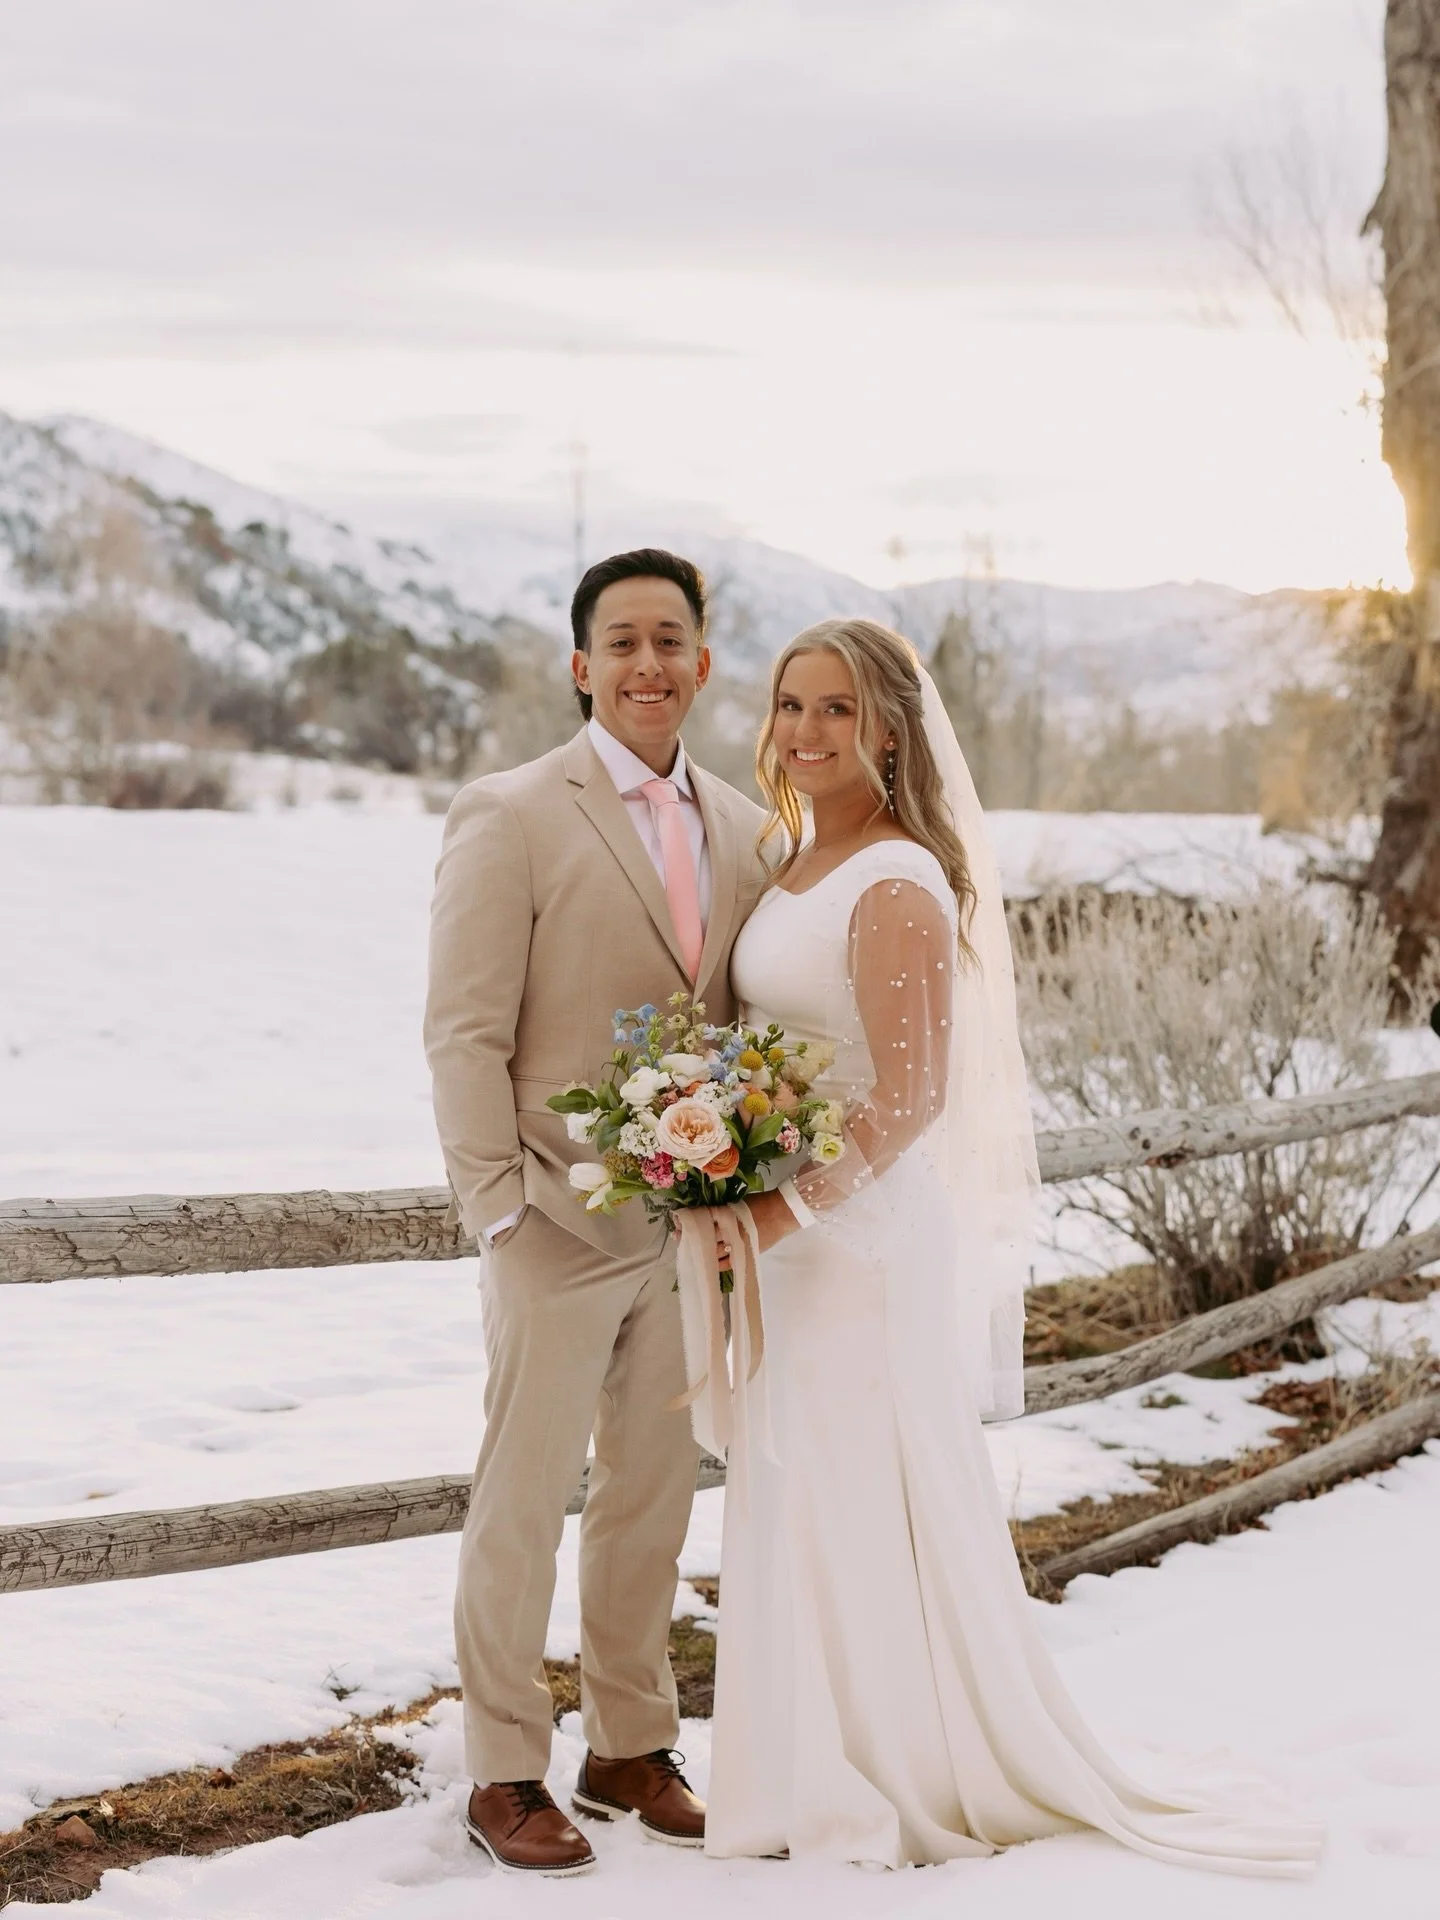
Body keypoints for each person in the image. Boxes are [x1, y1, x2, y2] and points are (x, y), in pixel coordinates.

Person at [701, 617, 1325, 1876]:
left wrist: (776, 1212)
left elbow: (910, 1096)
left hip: (859, 1245)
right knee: (800, 1491)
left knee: (864, 1492)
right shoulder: (796, 860)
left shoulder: (897, 878)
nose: (808, 731)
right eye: (791, 705)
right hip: (795, 1233)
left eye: (838, 709)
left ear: (891, 731)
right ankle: (800, 1766)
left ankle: (898, 1774)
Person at [424, 548, 766, 1877]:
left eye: (669, 640)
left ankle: (629, 1743)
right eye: (621, 641)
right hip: (550, 1228)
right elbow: (464, 1031)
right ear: (582, 666)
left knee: (651, 1500)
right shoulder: (509, 812)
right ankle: (504, 1767)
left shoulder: (747, 827)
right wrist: (498, 1211)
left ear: (702, 663)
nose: (646, 663)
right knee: (521, 1504)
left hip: (684, 1228)